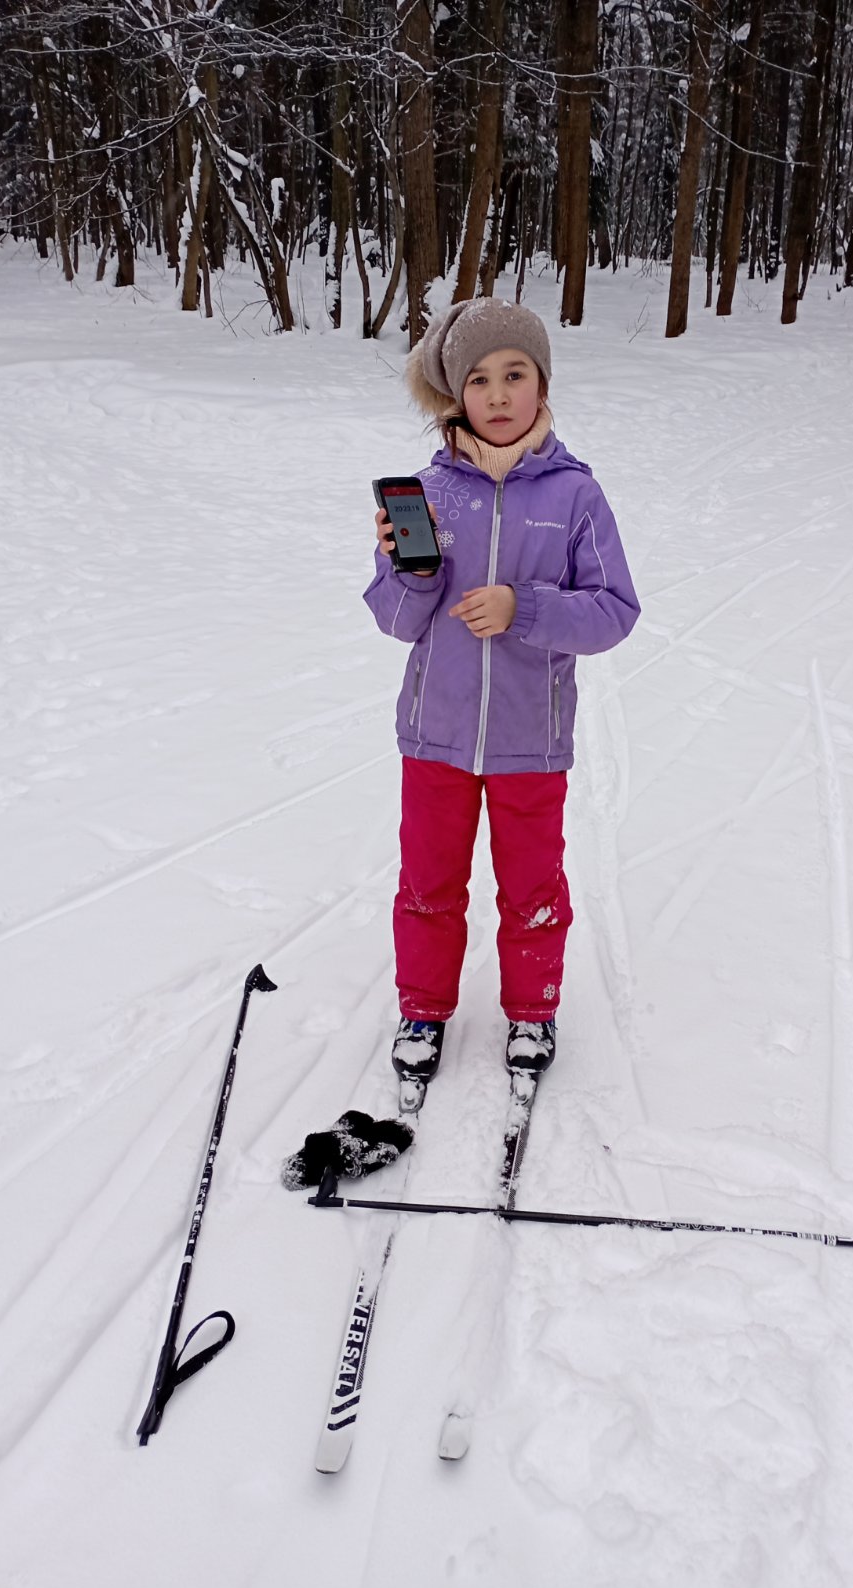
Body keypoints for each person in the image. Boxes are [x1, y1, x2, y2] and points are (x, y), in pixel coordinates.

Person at [363, 297, 639, 1092]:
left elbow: (614, 611)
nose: (498, 394)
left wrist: (528, 609)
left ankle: (532, 1009)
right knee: (428, 883)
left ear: (540, 382)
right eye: (478, 379)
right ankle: (422, 1009)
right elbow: (393, 618)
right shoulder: (425, 494)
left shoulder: (574, 497)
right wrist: (413, 575)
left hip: (530, 739)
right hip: (436, 736)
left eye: (514, 373)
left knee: (531, 887)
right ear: (456, 395)